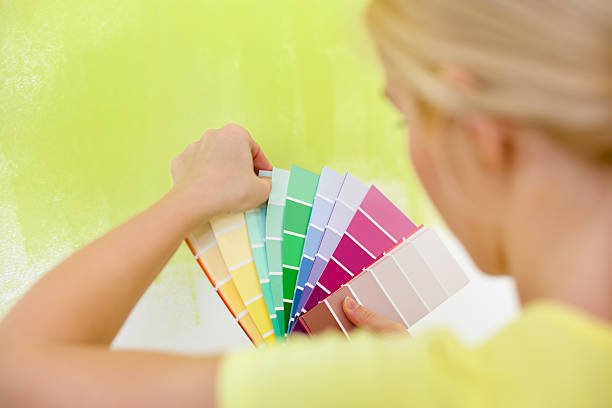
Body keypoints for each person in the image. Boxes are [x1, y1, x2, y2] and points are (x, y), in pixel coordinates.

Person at [1, 0, 611, 406]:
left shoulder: (427, 390)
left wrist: (193, 196)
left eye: (405, 119)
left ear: (480, 134)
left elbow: (17, 372)